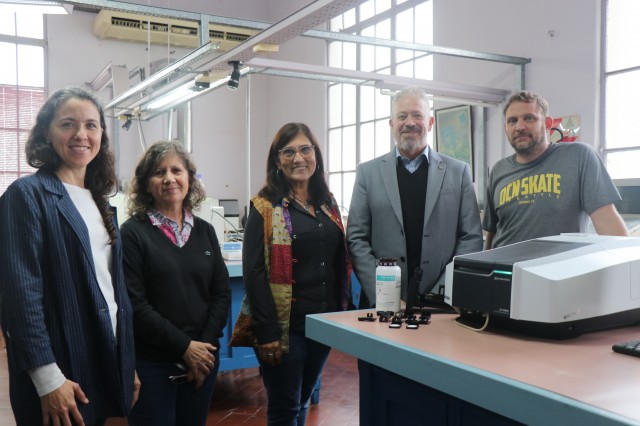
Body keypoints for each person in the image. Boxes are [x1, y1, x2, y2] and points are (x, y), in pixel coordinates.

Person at [0, 87, 139, 425]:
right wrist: (48, 379)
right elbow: (20, 297)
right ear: (46, 133)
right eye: (67, 124)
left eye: (91, 125)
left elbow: (113, 290)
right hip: (60, 364)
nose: (81, 134)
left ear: (101, 135)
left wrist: (127, 361)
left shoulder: (100, 202)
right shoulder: (26, 195)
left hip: (104, 353)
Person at [229, 122, 352, 426]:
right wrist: (267, 333)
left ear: (316, 155)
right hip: (286, 327)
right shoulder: (264, 207)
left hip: (324, 322)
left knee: (303, 399)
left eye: (305, 149)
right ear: (277, 160)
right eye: (288, 152)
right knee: (285, 408)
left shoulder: (327, 203)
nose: (299, 158)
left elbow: (337, 260)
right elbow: (254, 273)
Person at [121, 140, 231, 426]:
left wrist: (203, 350)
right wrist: (185, 348)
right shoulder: (132, 233)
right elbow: (135, 304)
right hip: (153, 363)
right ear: (146, 185)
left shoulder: (205, 231)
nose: (169, 178)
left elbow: (221, 293)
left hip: (203, 359)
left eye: (176, 170)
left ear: (189, 179)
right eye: (159, 173)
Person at [347, 86, 483, 308]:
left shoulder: (458, 172)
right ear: (392, 124)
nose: (409, 122)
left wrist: (442, 291)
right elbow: (356, 238)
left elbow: (471, 237)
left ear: (430, 123)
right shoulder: (367, 174)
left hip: (442, 303)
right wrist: (383, 292)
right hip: (383, 303)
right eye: (402, 116)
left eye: (417, 115)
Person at [483, 90, 628, 249]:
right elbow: (492, 232)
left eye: (529, 118)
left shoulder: (578, 156)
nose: (519, 127)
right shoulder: (499, 170)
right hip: (503, 264)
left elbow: (608, 223)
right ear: (506, 128)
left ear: (547, 124)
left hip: (559, 265)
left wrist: (627, 260)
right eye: (512, 121)